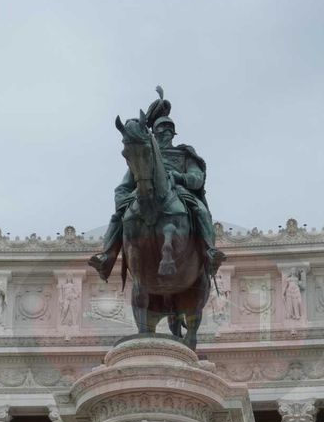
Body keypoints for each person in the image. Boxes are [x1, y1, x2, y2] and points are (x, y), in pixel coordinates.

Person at [89, 87, 225, 282]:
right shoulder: (145, 156)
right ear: (155, 132)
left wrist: (180, 177)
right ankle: (106, 257)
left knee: (201, 210)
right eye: (162, 129)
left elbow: (197, 178)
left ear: (174, 133)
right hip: (142, 195)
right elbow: (123, 187)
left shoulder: (184, 153)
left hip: (178, 193)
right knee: (118, 216)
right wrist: (123, 200)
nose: (166, 133)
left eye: (170, 130)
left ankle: (210, 252)